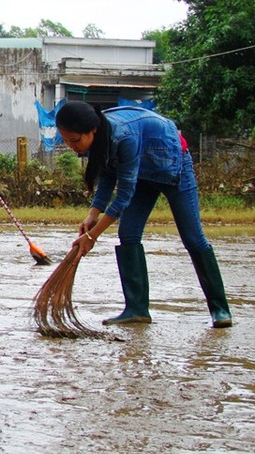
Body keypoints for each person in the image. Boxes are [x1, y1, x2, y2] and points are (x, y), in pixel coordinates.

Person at [55, 101, 232, 328]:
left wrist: (92, 236)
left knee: (193, 238)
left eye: (75, 140)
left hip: (173, 166)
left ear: (93, 130)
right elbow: (108, 175)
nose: (72, 146)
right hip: (143, 174)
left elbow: (123, 196)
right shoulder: (99, 136)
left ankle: (220, 309)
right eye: (67, 141)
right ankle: (136, 309)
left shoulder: (123, 136)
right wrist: (92, 214)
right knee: (128, 234)